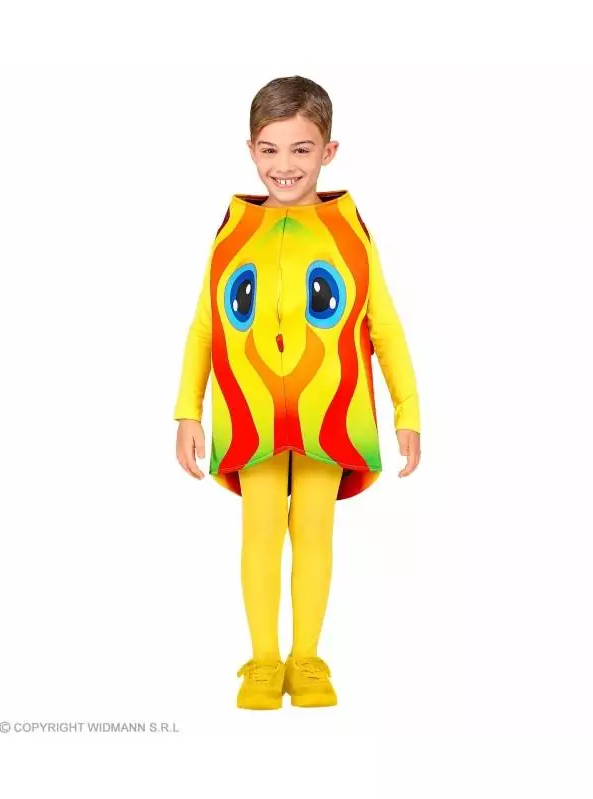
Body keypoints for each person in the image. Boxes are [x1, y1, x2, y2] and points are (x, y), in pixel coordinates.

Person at [173, 75, 421, 710]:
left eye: (302, 149)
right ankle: (263, 661)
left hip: (327, 411)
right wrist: (186, 411)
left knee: (314, 533)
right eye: (270, 149)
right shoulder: (234, 231)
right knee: (260, 534)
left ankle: (306, 658)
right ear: (251, 150)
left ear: (329, 151)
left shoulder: (349, 232)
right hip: (250, 413)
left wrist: (407, 411)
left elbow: (383, 326)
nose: (284, 165)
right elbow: (206, 326)